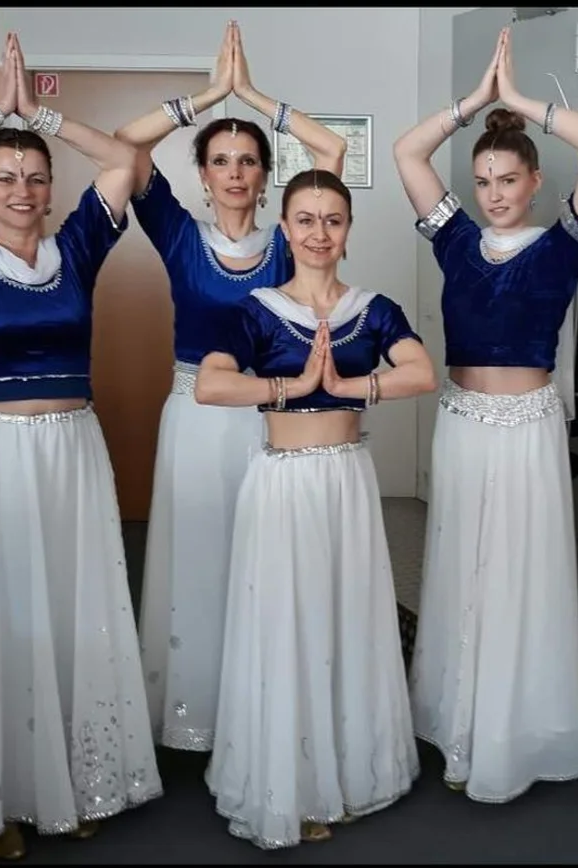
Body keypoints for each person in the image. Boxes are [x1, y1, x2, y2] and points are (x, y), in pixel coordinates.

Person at [0, 33, 163, 860]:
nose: (22, 189)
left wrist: (40, 113)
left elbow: (123, 163)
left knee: (72, 615)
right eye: (5, 177)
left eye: (36, 176)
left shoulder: (77, 248)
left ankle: (74, 779)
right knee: (0, 620)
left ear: (53, 190)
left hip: (71, 454)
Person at [393, 27, 578, 803]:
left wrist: (522, 102)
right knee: (464, 567)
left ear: (532, 182)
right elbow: (406, 154)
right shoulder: (455, 240)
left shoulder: (563, 246)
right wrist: (471, 104)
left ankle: (517, 725)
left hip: (526, 427)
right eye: (482, 179)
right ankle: (460, 716)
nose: (492, 192)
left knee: (520, 574)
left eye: (506, 179)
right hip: (460, 423)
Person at [113, 20, 347, 755]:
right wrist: (209, 95)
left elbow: (332, 153)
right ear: (204, 173)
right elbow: (127, 146)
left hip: (272, 413)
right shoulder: (178, 234)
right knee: (201, 558)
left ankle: (264, 711)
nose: (236, 172)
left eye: (248, 160)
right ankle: (198, 716)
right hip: (194, 414)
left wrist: (257, 98)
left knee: (267, 562)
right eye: (221, 160)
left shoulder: (289, 238)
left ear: (264, 173)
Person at [195, 168, 435, 849]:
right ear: (286, 229)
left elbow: (422, 372)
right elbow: (210, 386)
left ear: (348, 231)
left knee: (346, 615)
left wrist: (350, 385)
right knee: (288, 619)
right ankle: (292, 779)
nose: (319, 233)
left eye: (332, 220)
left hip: (346, 480)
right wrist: (286, 387)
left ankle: (349, 769)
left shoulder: (374, 307)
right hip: (283, 482)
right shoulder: (256, 308)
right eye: (305, 219)